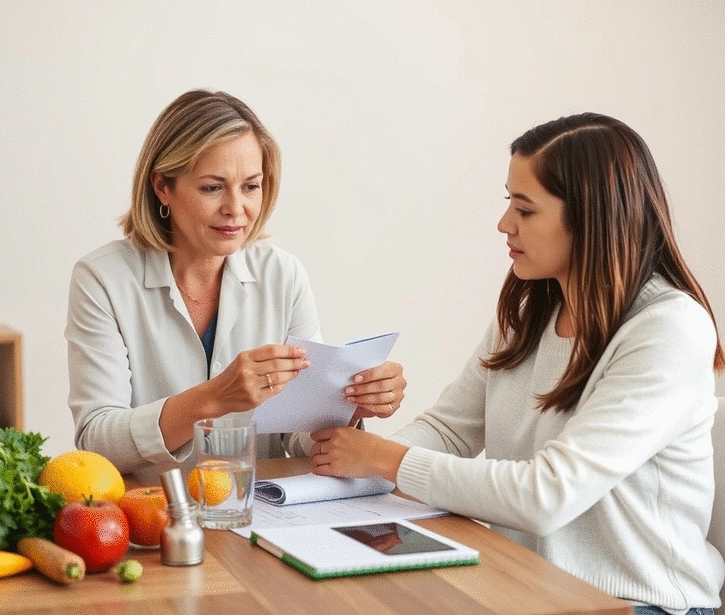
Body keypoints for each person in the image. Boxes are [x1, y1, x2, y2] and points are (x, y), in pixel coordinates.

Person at [310, 113, 725, 614]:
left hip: (637, 603)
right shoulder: (532, 308)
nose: (504, 223)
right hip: (526, 586)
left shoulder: (669, 330)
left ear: (591, 218)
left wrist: (381, 459)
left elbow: (547, 495)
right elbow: (450, 430)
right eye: (508, 201)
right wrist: (342, 471)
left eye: (525, 210)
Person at [66, 89, 406, 486]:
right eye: (212, 187)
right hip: (153, 517)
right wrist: (212, 398)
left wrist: (351, 402)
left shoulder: (283, 275)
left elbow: (297, 433)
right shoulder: (102, 279)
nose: (236, 208)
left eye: (251, 186)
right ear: (162, 186)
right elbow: (96, 442)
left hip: (256, 513)